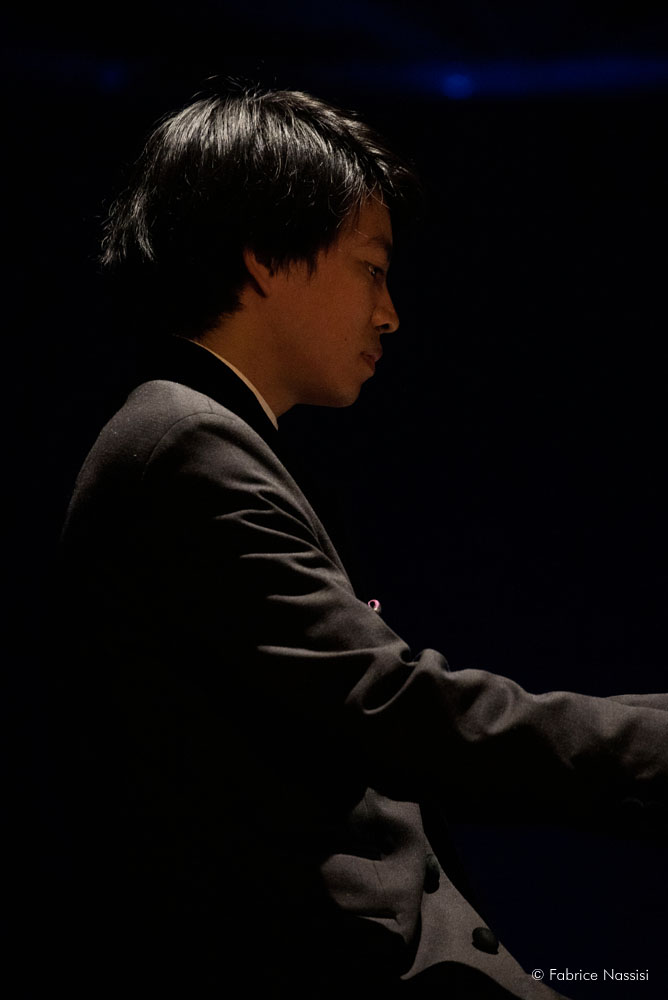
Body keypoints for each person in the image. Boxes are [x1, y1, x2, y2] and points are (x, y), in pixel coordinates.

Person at [52, 87, 667, 998]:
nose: (390, 313)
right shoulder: (185, 445)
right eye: (371, 269)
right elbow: (393, 709)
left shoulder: (200, 438)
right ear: (264, 256)